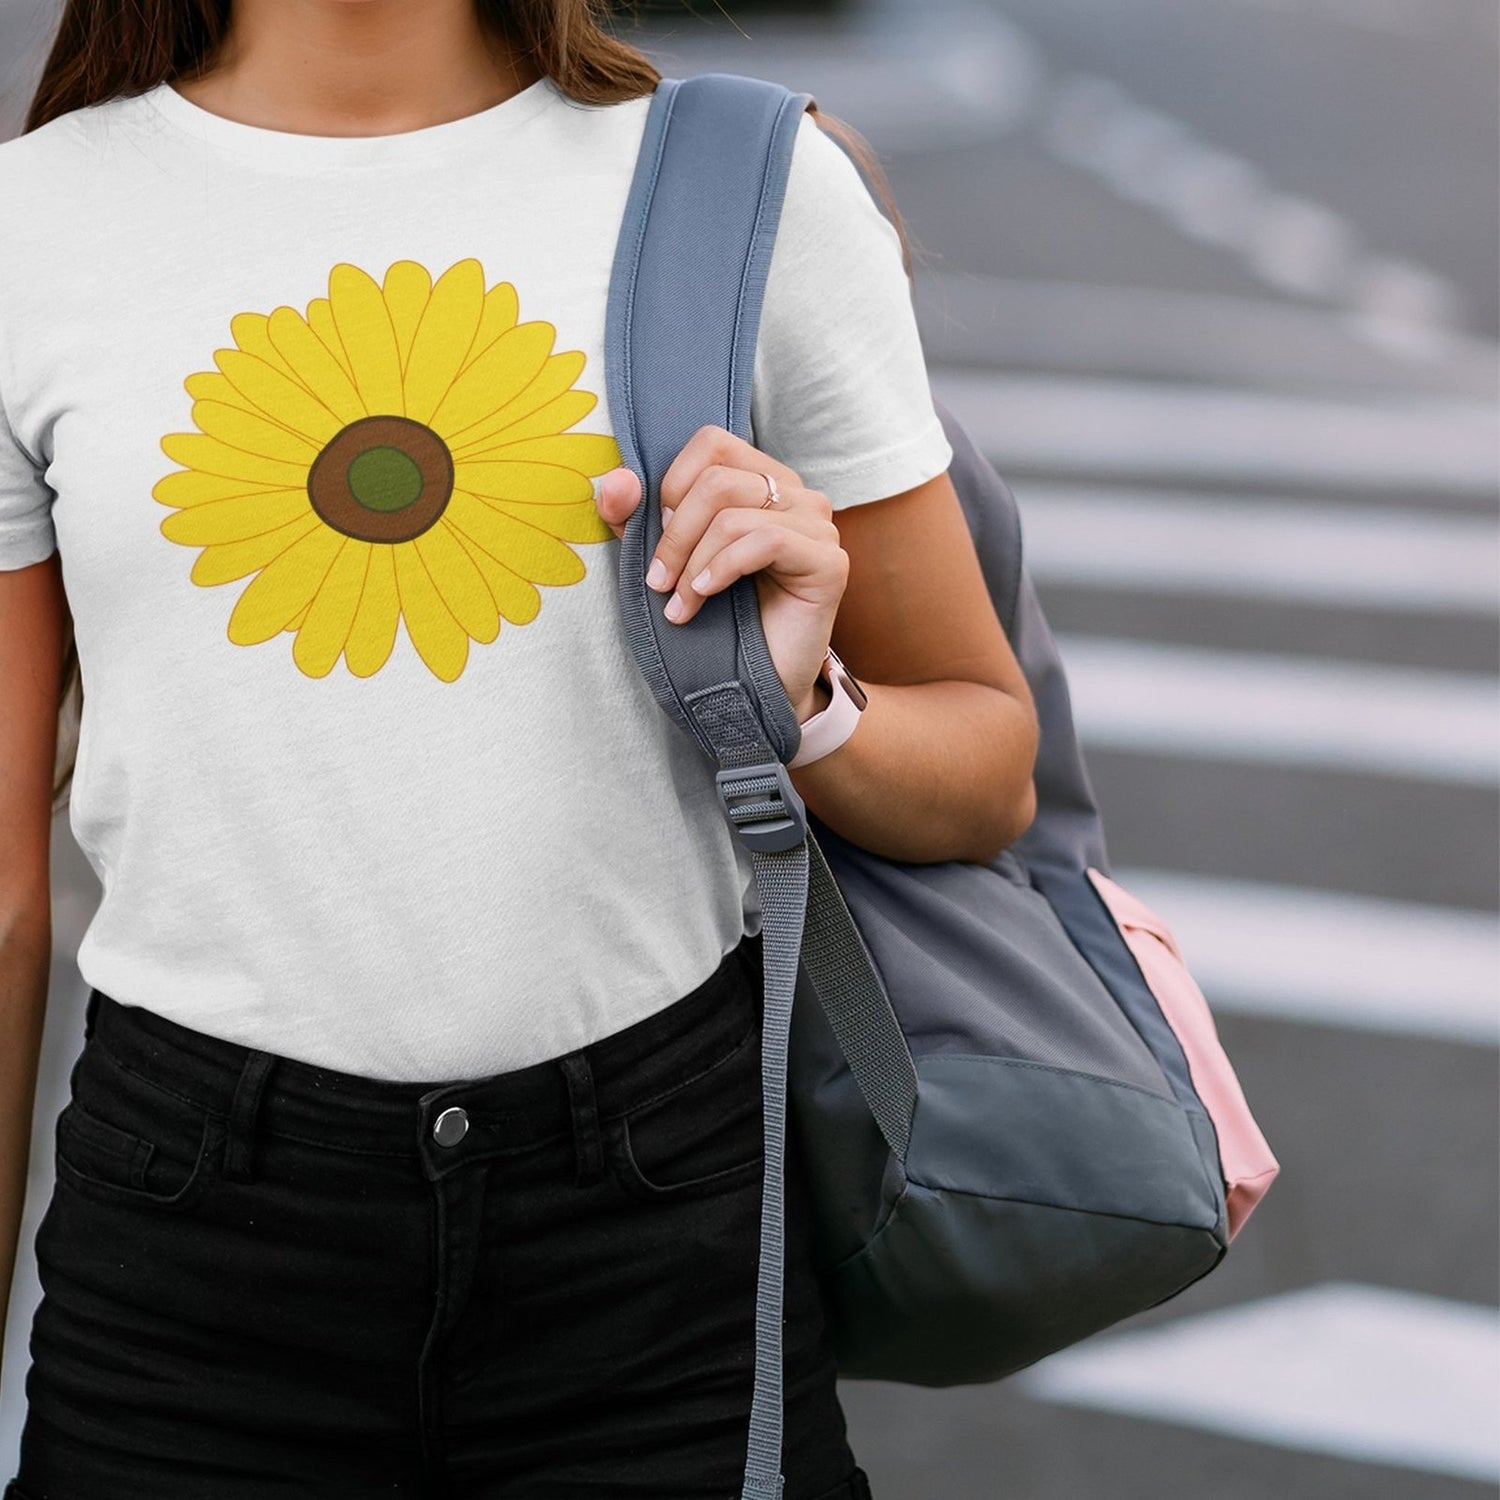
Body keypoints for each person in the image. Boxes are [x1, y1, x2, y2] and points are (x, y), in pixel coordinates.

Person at [0, 0, 1041, 1493]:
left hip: (657, 1243)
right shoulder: (30, 227)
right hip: (189, 1258)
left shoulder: (748, 189)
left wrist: (802, 707)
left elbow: (986, 761)